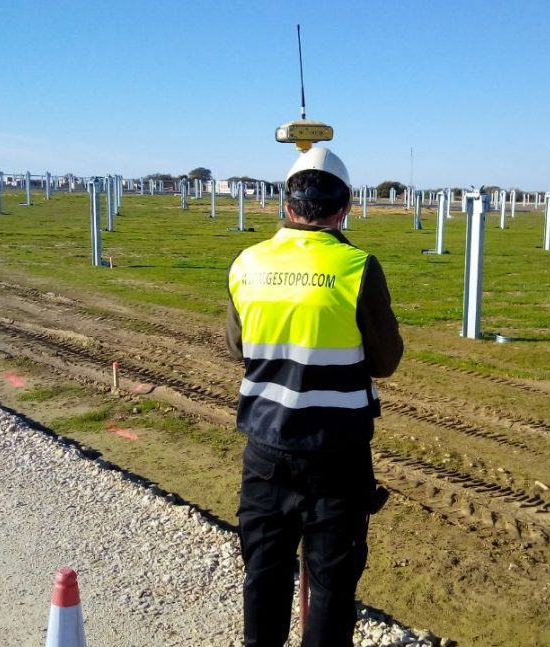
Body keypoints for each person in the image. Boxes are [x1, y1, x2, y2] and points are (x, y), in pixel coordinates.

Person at [226, 146, 403, 647]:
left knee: (264, 576)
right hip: (337, 456)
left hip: (264, 453)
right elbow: (386, 360)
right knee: (329, 587)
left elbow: (238, 344)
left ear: (287, 204)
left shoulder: (246, 264)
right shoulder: (358, 268)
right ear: (344, 206)